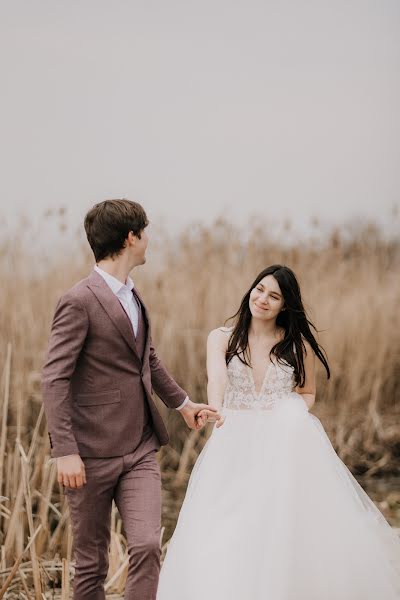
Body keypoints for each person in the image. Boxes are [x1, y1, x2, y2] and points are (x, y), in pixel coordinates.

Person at [157, 264, 400, 600]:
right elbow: (218, 378)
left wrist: (289, 413)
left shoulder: (297, 344)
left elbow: (307, 393)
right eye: (259, 290)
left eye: (274, 296)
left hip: (282, 442)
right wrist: (217, 409)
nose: (263, 299)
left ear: (285, 305)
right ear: (250, 290)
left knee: (277, 522)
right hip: (234, 437)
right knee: (226, 523)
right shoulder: (223, 337)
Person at [41, 198, 221, 600]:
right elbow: (54, 377)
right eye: (146, 232)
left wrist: (183, 404)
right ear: (131, 237)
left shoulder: (133, 295)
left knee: (147, 547)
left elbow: (147, 359)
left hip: (140, 445)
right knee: (91, 563)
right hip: (88, 455)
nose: (148, 240)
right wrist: (65, 451)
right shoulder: (79, 300)